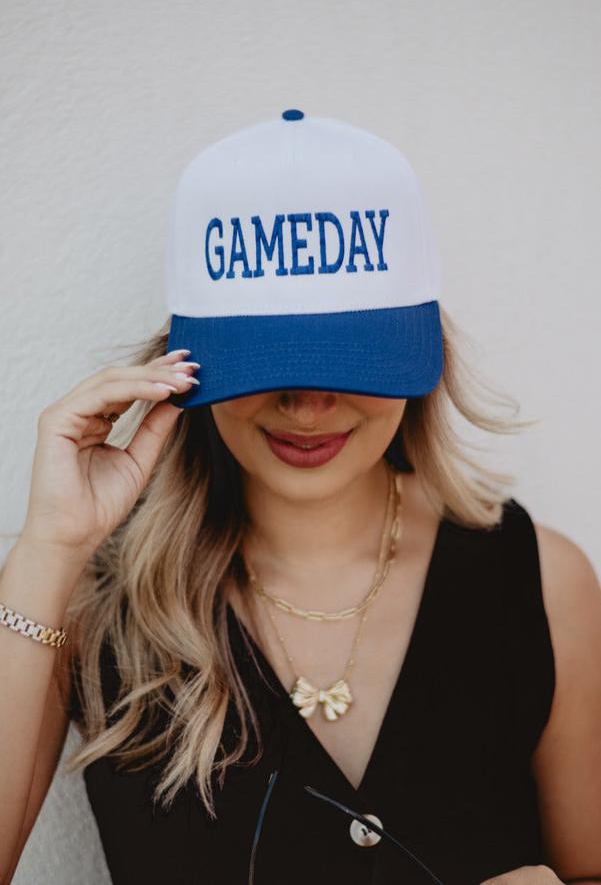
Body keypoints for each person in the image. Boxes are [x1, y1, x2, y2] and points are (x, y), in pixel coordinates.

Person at [1, 111, 600, 885]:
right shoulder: (84, 597)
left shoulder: (542, 582)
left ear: (422, 346)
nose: (308, 405)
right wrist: (48, 546)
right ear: (182, 363)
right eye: (265, 362)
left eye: (350, 356)